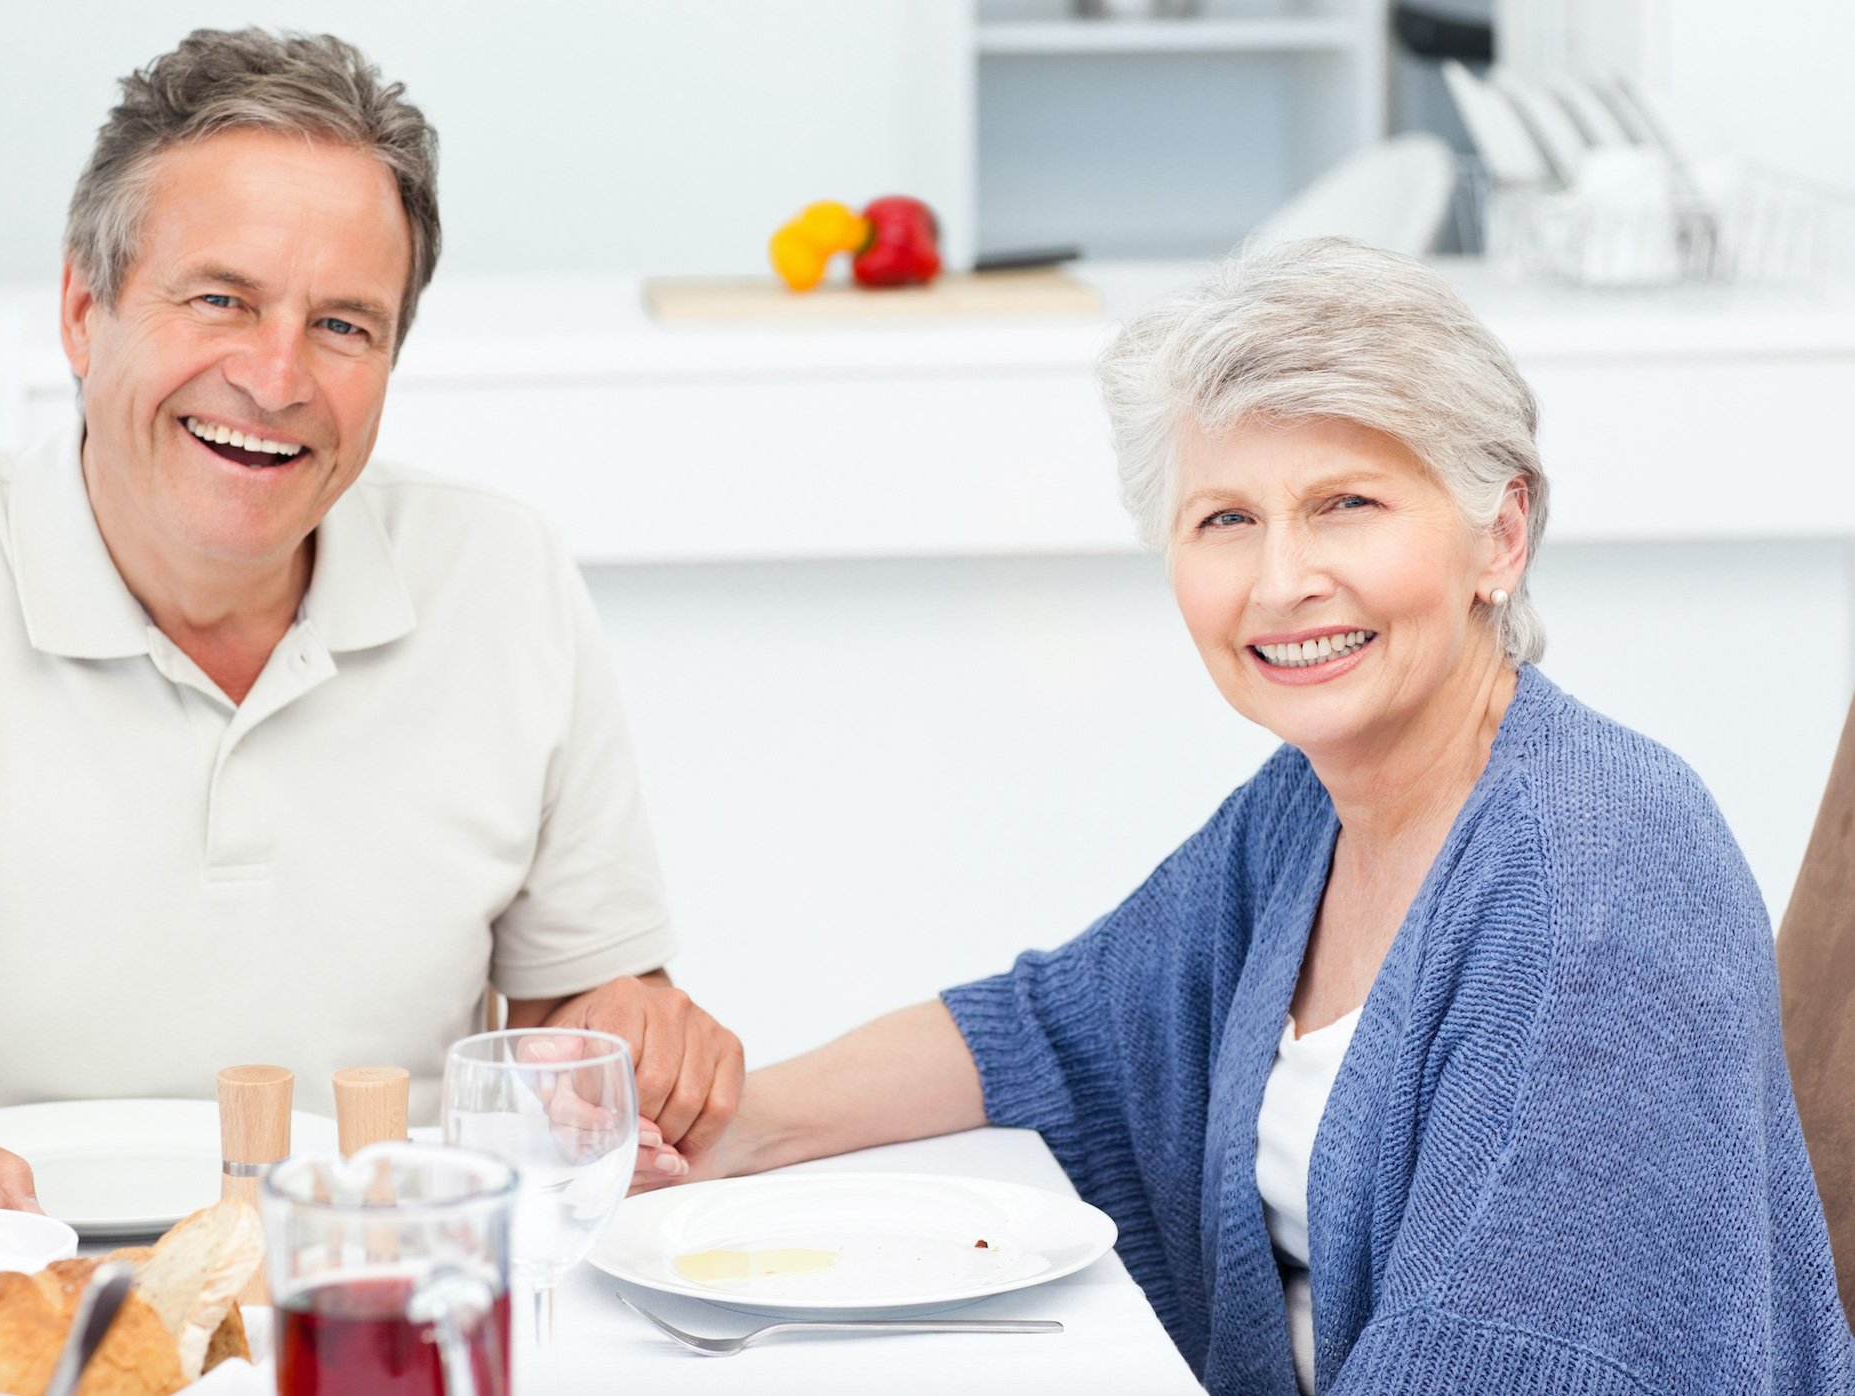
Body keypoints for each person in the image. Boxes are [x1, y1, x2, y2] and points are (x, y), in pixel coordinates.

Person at [648, 239, 1855, 1393]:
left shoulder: (1600, 878)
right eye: (1226, 518)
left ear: (1501, 532)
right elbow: (1063, 1030)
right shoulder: (1305, 819)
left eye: (1348, 504)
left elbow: (1506, 1355)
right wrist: (721, 1128)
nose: (1281, 581)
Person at [0, 28, 736, 1267]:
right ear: (81, 309)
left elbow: (575, 1035)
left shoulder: (504, 575)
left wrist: (636, 1041)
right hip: (4, 1301)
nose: (275, 377)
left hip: (382, 1293)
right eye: (221, 298)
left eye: (343, 325)